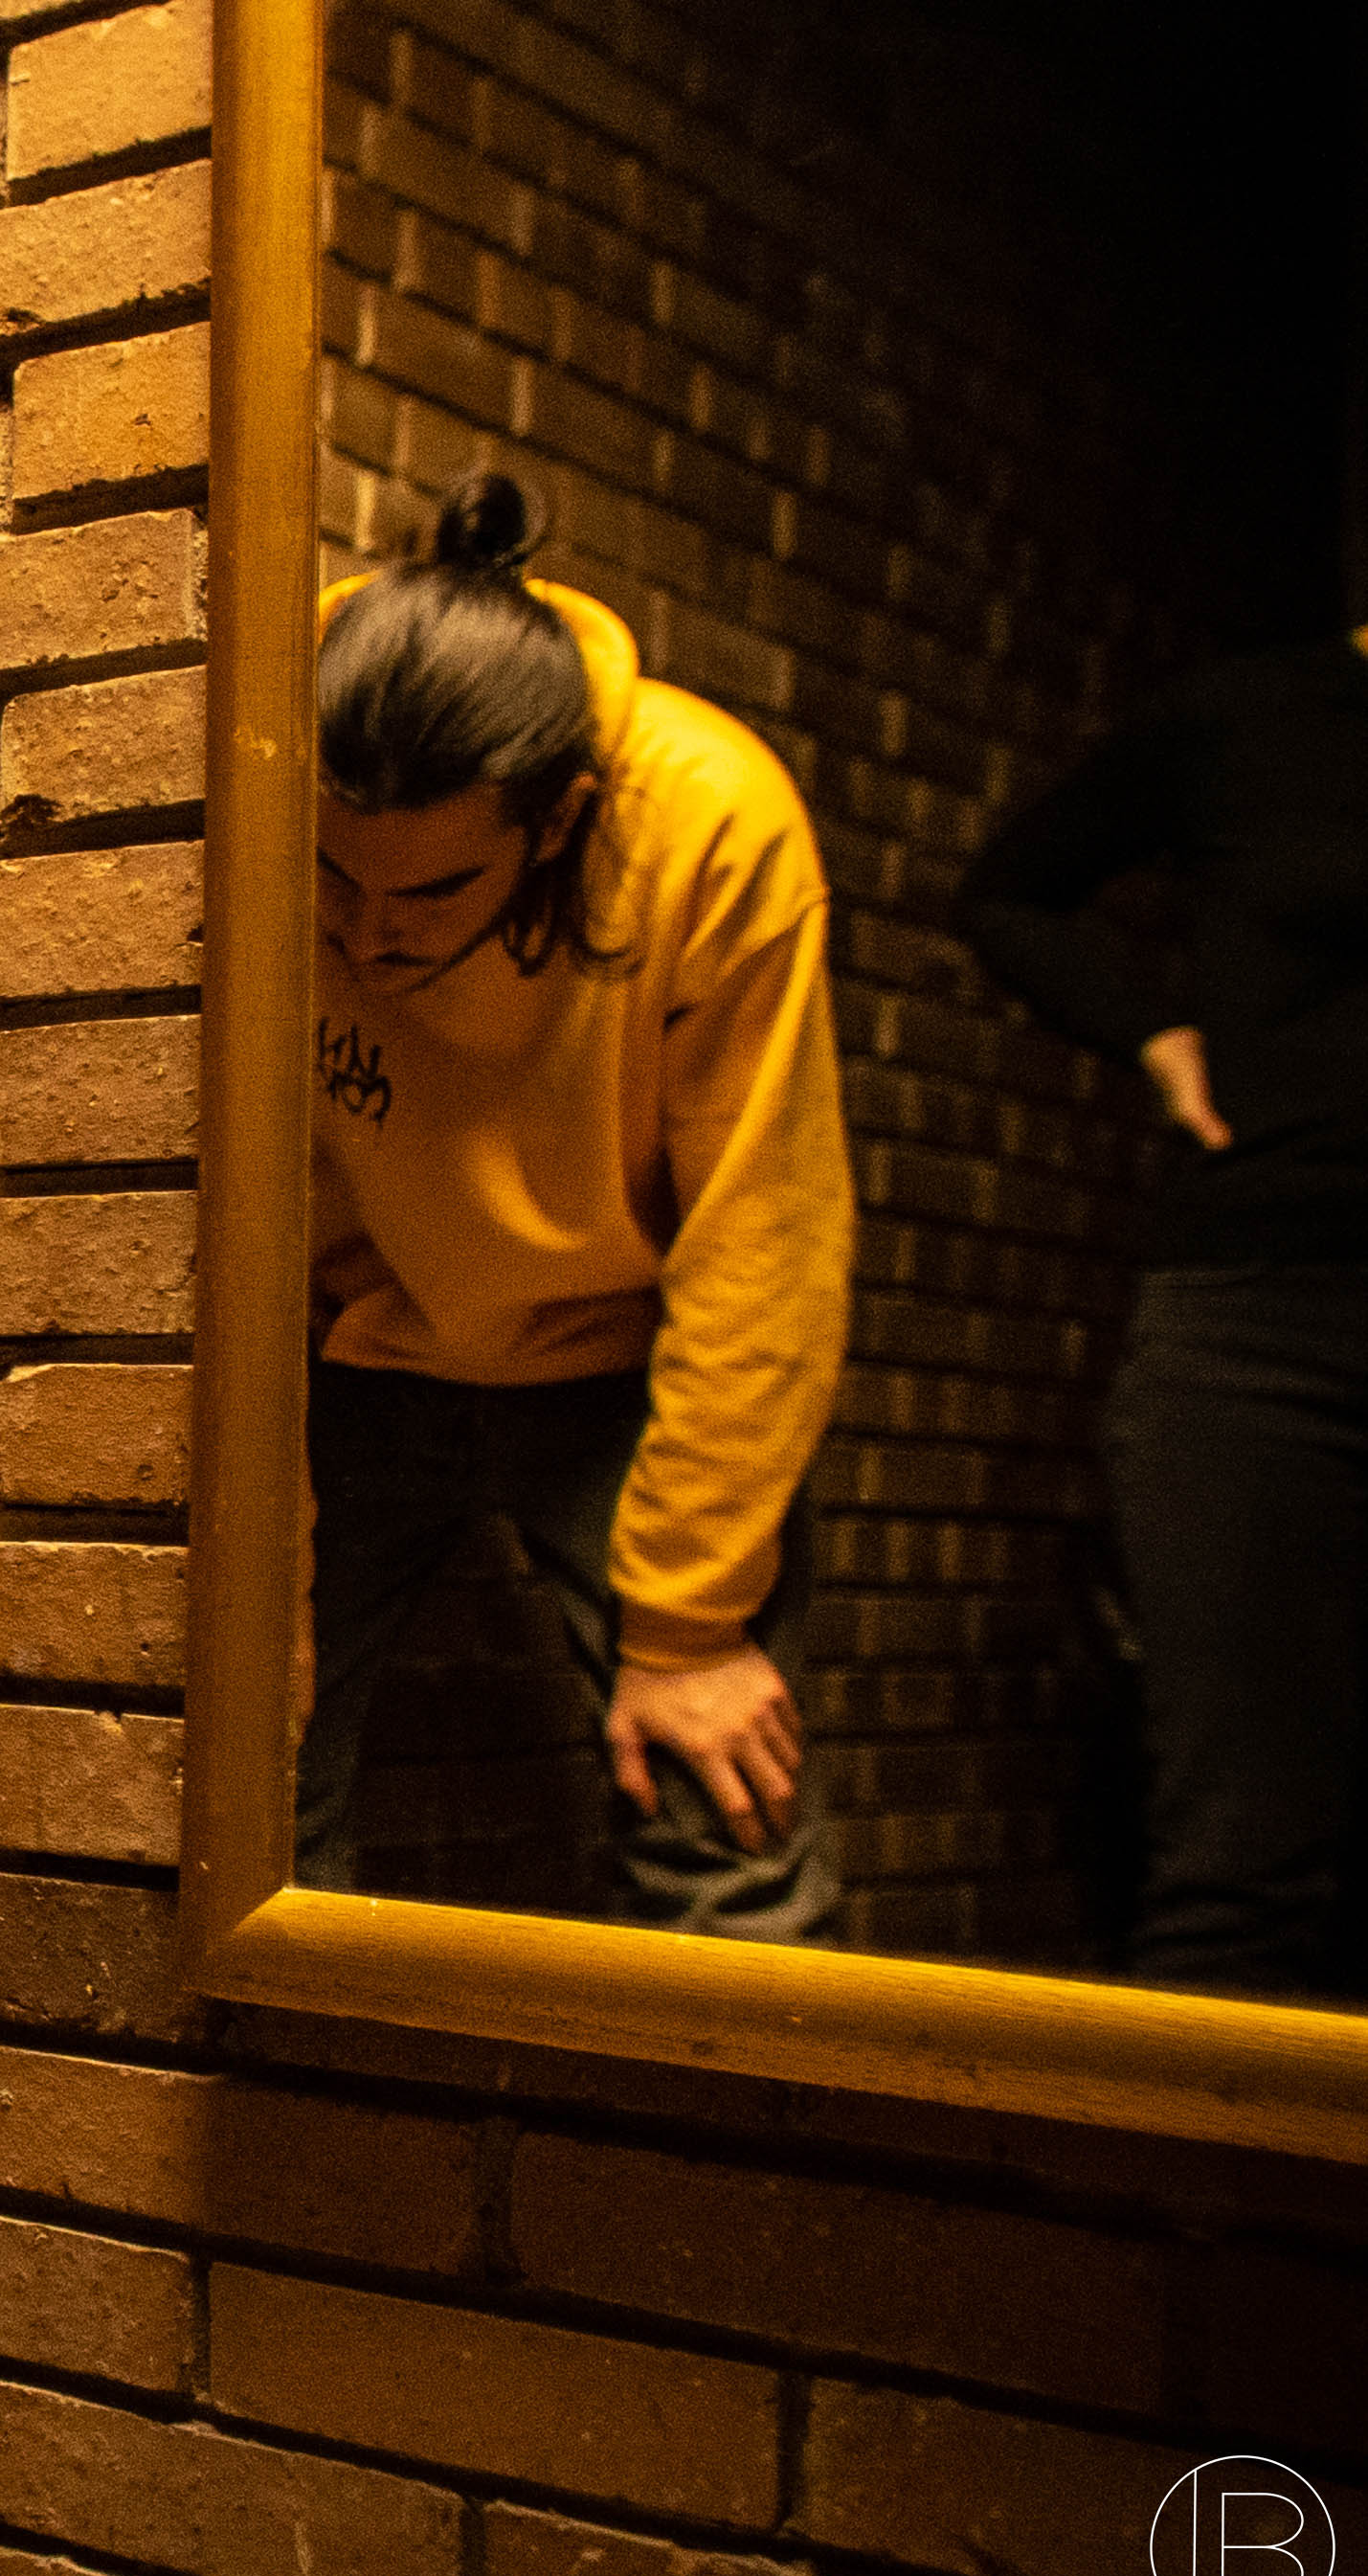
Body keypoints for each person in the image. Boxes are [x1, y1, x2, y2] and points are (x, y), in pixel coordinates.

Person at [292, 476, 857, 1936]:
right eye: (333, 879)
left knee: (717, 1816)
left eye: (428, 893)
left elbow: (763, 1241)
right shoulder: (256, 751)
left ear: (558, 823)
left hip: (624, 1364)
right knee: (240, 1822)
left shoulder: (707, 822)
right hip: (350, 1345)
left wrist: (687, 1625)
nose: (367, 931)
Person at [961, 626, 1368, 1998]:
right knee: (1240, 1867)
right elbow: (1010, 893)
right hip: (1262, 1320)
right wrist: (1149, 1033)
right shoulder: (1252, 715)